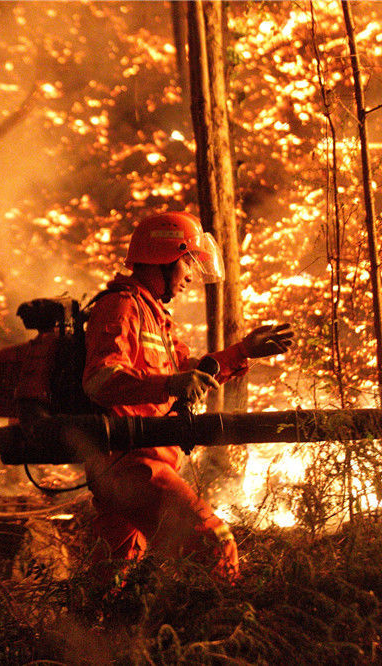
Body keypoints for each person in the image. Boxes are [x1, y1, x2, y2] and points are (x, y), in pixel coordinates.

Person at [81, 211, 294, 581]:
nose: (191, 275)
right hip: (132, 467)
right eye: (188, 262)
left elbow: (191, 373)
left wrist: (242, 351)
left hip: (135, 464)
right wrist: (167, 385)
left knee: (112, 577)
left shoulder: (155, 317)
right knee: (216, 544)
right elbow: (99, 380)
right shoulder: (121, 306)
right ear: (164, 259)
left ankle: (98, 618)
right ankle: (219, 619)